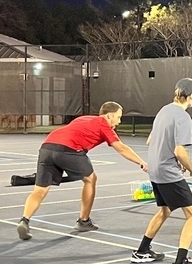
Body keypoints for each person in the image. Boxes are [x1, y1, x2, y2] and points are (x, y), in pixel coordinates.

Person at [16, 101, 148, 240]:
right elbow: (121, 148)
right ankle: (83, 221)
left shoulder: (84, 118)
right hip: (68, 149)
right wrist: (142, 163)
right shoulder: (104, 125)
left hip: (47, 146)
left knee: (40, 190)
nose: (119, 121)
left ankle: (24, 220)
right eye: (118, 117)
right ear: (109, 116)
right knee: (90, 179)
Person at [131, 78, 192, 264]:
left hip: (155, 171)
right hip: (167, 172)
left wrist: (176, 160)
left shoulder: (164, 110)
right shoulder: (183, 117)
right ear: (190, 96)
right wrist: (191, 168)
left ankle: (142, 251)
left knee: (164, 210)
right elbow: (179, 149)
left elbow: (151, 140)